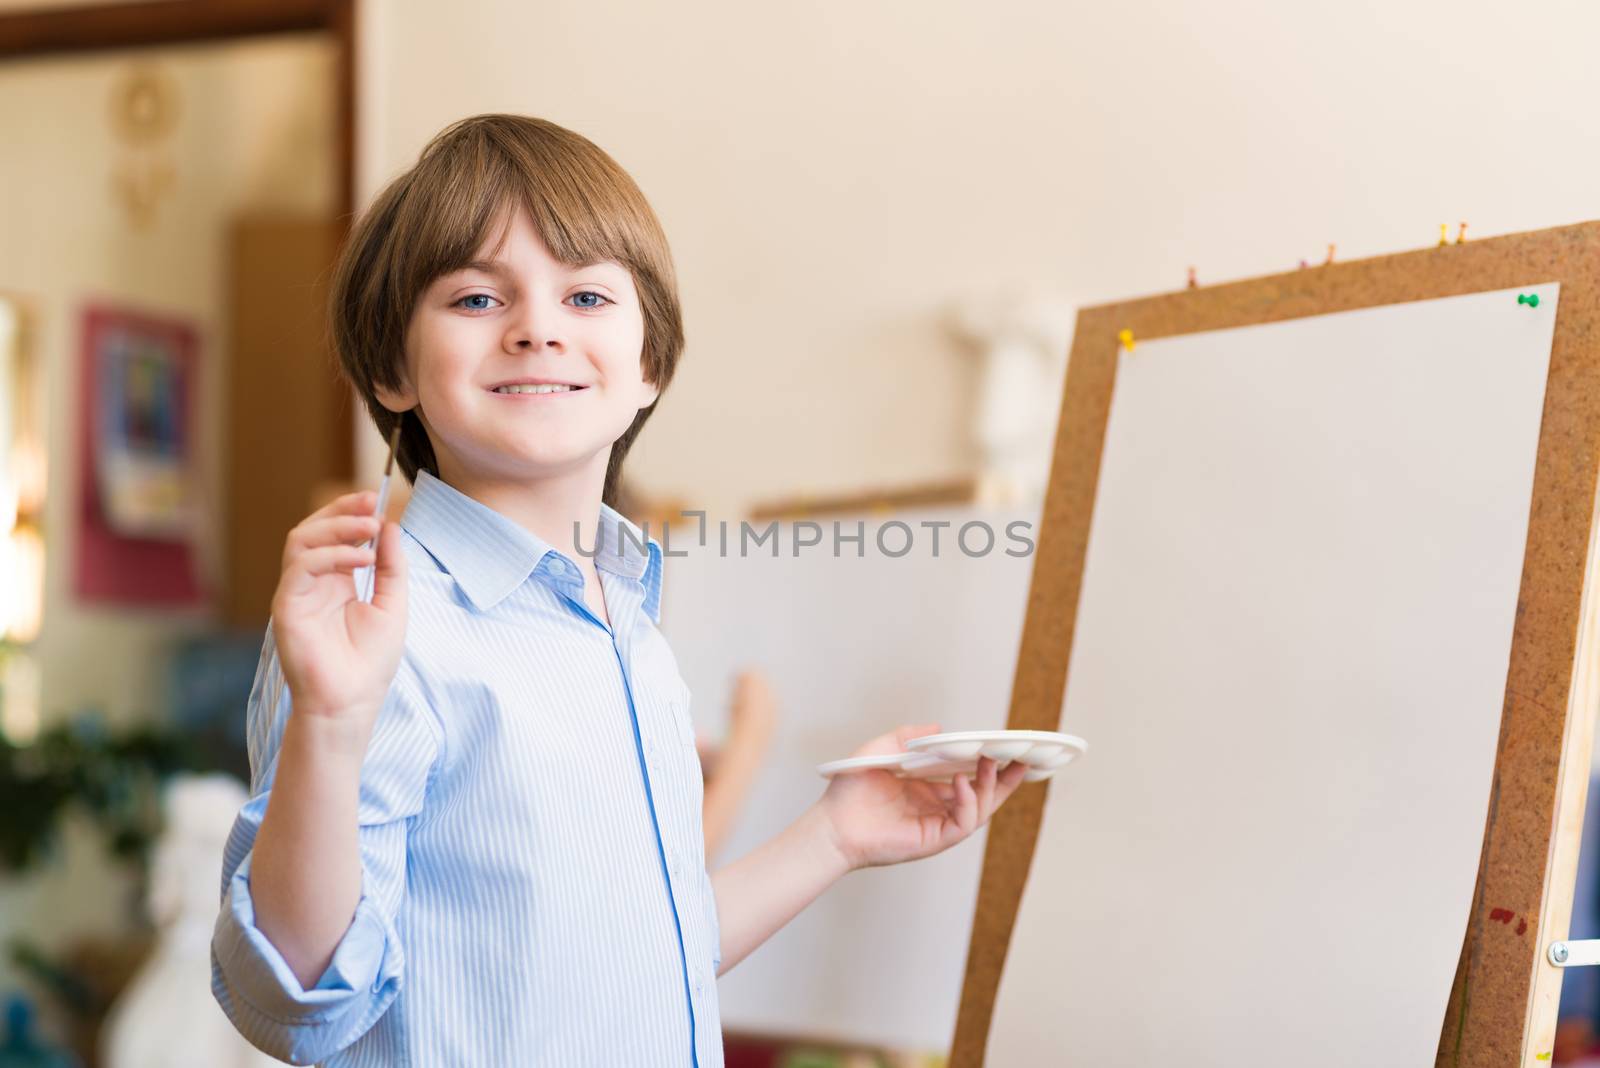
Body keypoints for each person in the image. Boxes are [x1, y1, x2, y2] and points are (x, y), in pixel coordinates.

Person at [209, 114, 1026, 1067]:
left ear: (650, 367)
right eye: (476, 299)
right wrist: (332, 727)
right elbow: (297, 1006)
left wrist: (837, 835)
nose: (538, 328)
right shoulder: (375, 625)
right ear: (392, 367)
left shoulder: (623, 621)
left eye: (587, 294)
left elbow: (634, 963)